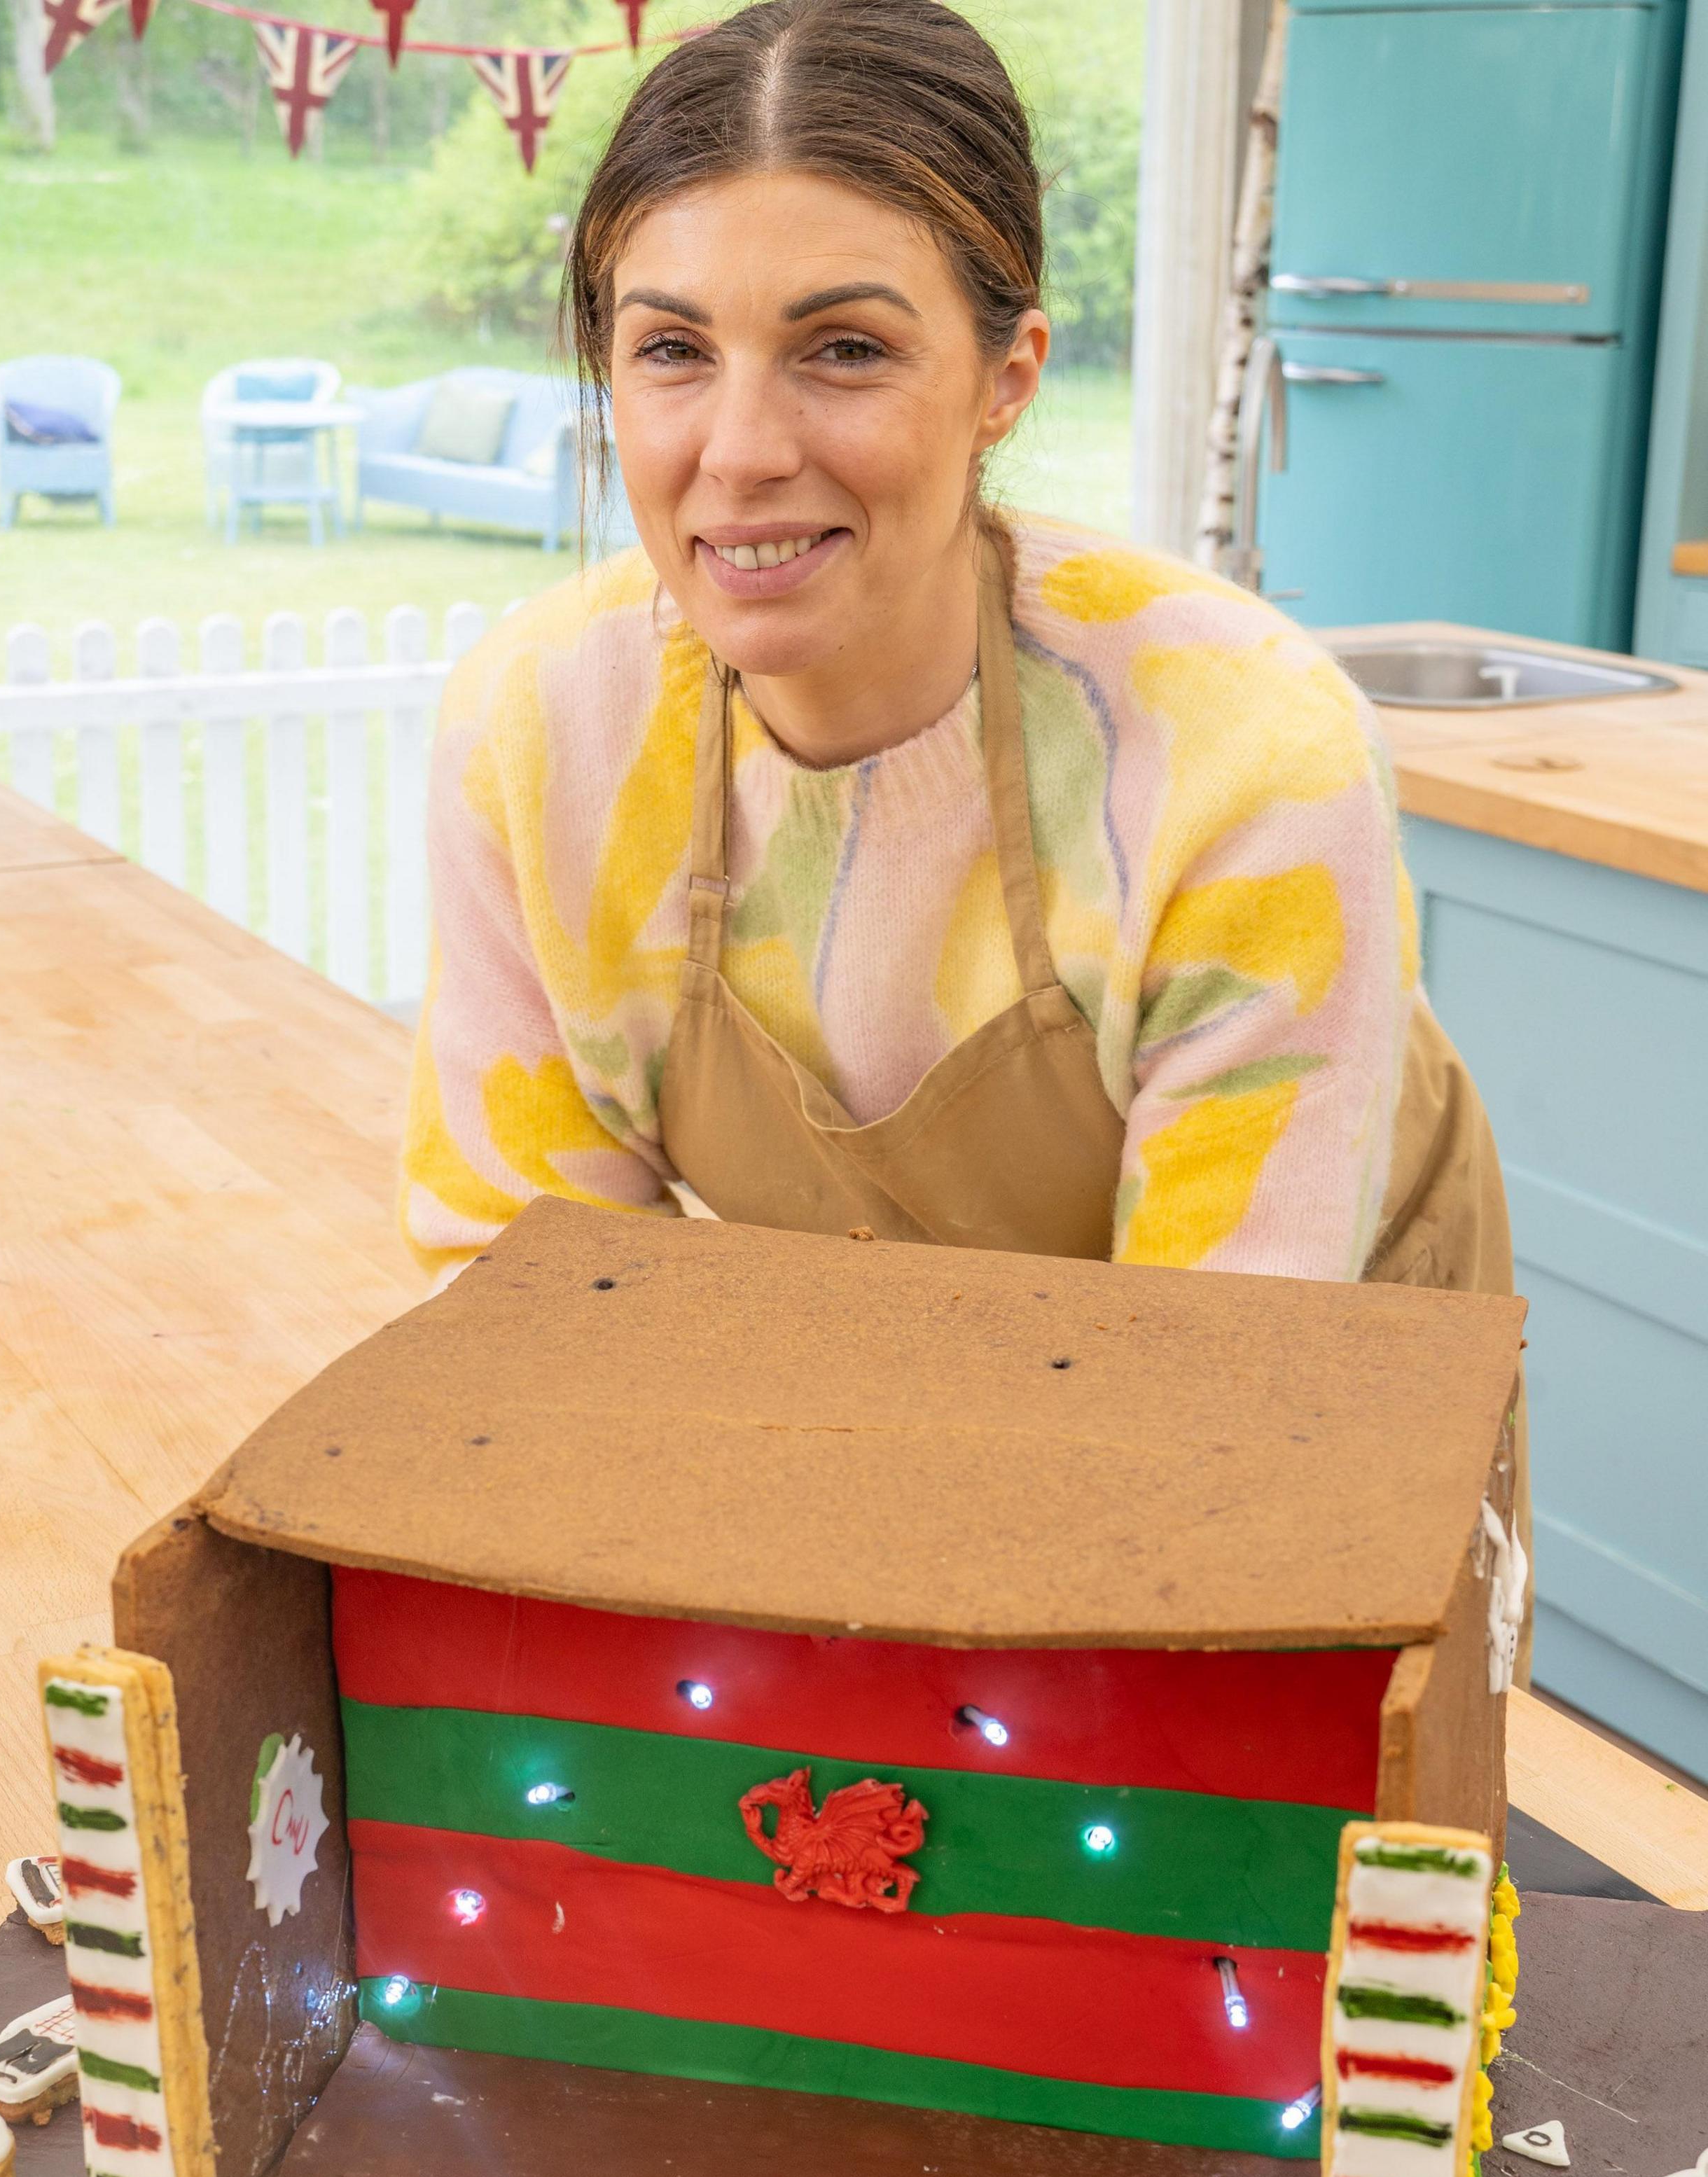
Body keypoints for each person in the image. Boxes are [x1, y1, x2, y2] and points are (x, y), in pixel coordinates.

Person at [401, 0, 1511, 1309]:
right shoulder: (541, 735)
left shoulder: (1242, 753)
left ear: (1007, 379)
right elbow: (516, 1293)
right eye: (673, 351)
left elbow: (1220, 1390)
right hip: (904, 1393)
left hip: (1308, 1375)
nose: (743, 450)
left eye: (848, 349)